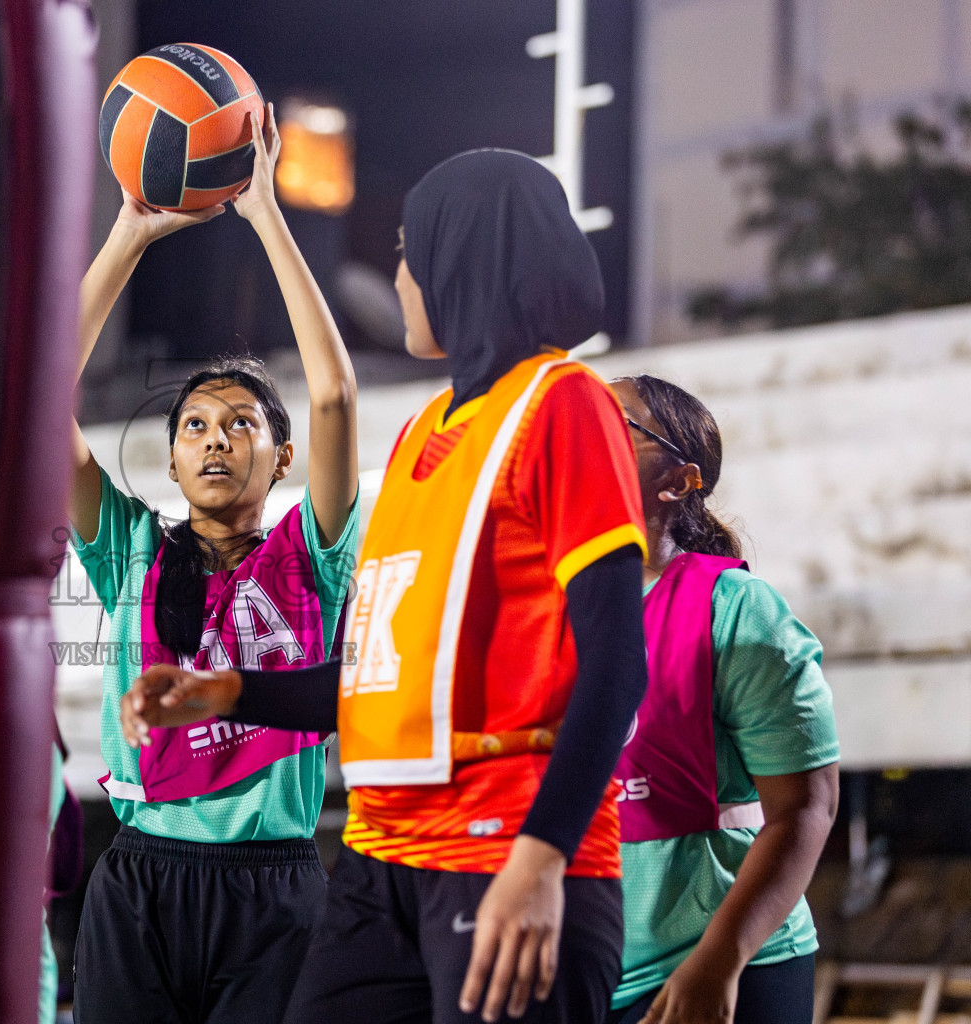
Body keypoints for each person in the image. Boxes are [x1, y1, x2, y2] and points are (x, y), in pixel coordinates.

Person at [123, 149, 650, 1024]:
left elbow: (618, 664)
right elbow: (379, 679)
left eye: (412, 251)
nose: (402, 277)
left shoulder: (563, 403)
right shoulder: (419, 437)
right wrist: (230, 690)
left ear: (462, 260)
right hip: (380, 862)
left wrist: (544, 854)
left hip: (500, 851)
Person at [67, 105, 360, 1024]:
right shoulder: (132, 550)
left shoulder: (310, 555)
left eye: (241, 425)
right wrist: (128, 233)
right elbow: (38, 395)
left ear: (281, 459)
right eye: (194, 425)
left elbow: (336, 395)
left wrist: (269, 213)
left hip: (274, 885)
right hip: (141, 875)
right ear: (172, 457)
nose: (215, 439)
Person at [603, 375, 839, 1024]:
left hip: (715, 964)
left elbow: (806, 808)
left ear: (678, 482)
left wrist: (720, 959)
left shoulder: (737, 611)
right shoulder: (544, 615)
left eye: (613, 423)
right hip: (589, 966)